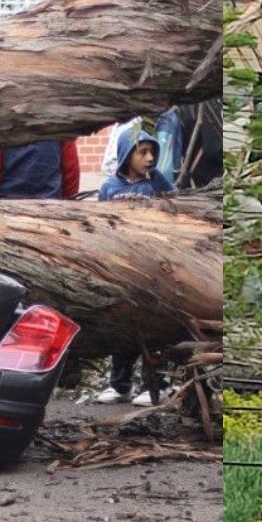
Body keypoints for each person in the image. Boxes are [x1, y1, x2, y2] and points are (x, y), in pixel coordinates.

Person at [94, 127, 173, 405]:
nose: (149, 158)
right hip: (123, 266)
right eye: (142, 152)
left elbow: (175, 214)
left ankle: (156, 384)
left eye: (152, 152)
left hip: (152, 267)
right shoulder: (110, 188)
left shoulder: (158, 184)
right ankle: (119, 384)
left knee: (153, 329)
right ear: (127, 154)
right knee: (124, 327)